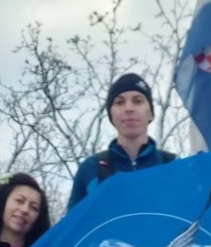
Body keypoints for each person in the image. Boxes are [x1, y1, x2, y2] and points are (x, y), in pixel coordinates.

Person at [68, 72, 176, 209]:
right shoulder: (91, 169)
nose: (129, 108)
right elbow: (75, 221)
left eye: (137, 101)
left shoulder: (174, 165)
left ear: (151, 113)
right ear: (111, 116)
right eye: (119, 102)